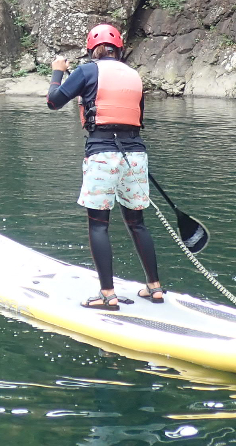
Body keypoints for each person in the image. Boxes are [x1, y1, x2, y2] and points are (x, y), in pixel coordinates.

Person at [46, 23, 163, 309]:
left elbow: (53, 101)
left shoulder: (87, 71)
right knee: (137, 224)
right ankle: (155, 288)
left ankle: (107, 295)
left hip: (102, 154)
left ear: (91, 50)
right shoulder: (134, 75)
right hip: (134, 155)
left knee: (99, 225)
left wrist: (58, 70)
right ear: (119, 48)